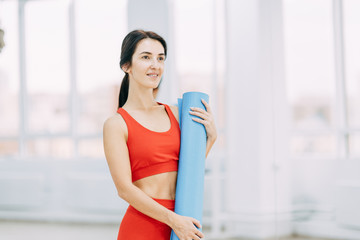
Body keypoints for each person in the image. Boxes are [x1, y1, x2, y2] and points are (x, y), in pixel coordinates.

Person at [103, 29, 217, 240]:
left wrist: (210, 139)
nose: (155, 65)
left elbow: (188, 170)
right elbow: (124, 189)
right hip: (144, 226)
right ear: (126, 65)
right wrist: (173, 220)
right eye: (146, 57)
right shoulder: (116, 124)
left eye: (160, 58)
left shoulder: (176, 113)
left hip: (183, 219)